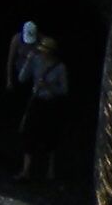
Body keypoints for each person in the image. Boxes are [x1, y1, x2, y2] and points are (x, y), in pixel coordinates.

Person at [16, 31, 72, 184]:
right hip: (36, 101)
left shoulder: (60, 67)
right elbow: (22, 78)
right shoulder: (36, 60)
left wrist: (49, 86)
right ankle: (26, 170)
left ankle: (50, 170)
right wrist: (28, 61)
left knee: (50, 135)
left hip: (51, 103)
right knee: (28, 132)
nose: (43, 53)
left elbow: (64, 90)